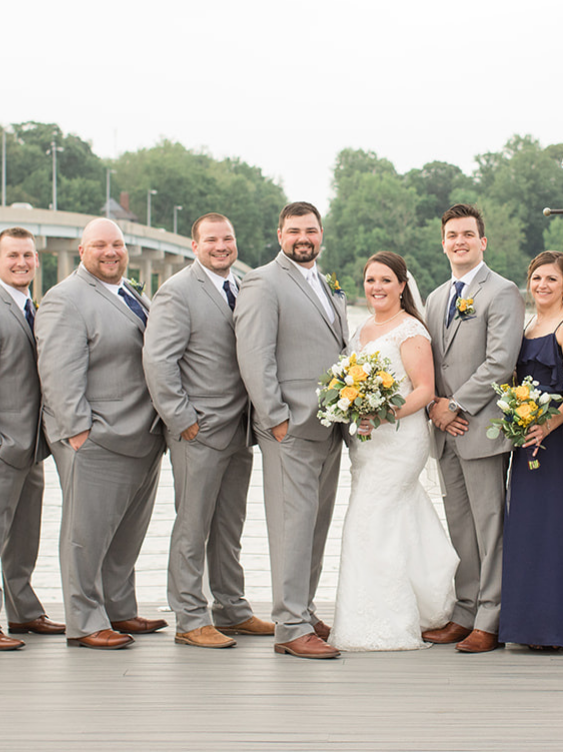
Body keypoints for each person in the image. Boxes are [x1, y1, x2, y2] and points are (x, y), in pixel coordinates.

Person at [36, 218, 167, 650]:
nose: (110, 252)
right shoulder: (64, 299)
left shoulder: (131, 292)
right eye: (100, 246)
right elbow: (57, 372)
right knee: (85, 535)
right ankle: (86, 620)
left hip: (142, 433)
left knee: (126, 533)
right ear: (82, 251)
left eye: (117, 244)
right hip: (97, 437)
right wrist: (78, 432)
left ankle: (119, 608)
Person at [144, 213, 273, 649]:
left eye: (228, 238)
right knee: (192, 526)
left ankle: (232, 608)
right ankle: (189, 617)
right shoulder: (177, 292)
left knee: (229, 526)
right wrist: (184, 421)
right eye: (212, 240)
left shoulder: (242, 286)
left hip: (240, 430)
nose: (222, 246)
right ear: (194, 245)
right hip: (198, 432)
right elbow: (159, 362)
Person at [234, 202, 349, 659]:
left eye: (312, 230)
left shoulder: (325, 282)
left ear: (322, 234)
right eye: (295, 230)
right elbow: (254, 354)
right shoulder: (263, 281)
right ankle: (289, 627)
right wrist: (274, 415)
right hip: (290, 426)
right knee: (291, 526)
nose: (304, 238)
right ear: (279, 234)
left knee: (315, 526)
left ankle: (302, 609)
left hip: (328, 425)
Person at [331, 253, 458, 651]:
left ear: (403, 286)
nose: (377, 287)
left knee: (371, 520)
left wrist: (385, 414)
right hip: (368, 444)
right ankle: (426, 603)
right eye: (370, 280)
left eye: (386, 280)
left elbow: (424, 389)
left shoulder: (411, 330)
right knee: (392, 519)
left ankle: (390, 617)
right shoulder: (363, 328)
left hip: (401, 440)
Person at [420, 204, 524, 654]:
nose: (459, 241)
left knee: (489, 524)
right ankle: (464, 610)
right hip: (444, 431)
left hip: (479, 426)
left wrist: (455, 404)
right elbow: (430, 361)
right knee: (459, 526)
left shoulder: (501, 292)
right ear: (443, 242)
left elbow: (501, 363)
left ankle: (492, 616)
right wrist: (433, 409)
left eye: (467, 234)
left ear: (483, 241)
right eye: (451, 235)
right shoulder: (436, 297)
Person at [0, 227, 64, 651]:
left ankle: (23, 610)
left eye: (28, 255)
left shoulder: (31, 307)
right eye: (13, 255)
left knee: (24, 536)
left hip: (30, 446)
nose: (22, 262)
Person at [496, 251, 563, 651]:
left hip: (556, 441)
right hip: (527, 437)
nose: (542, 285)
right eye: (536, 278)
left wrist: (547, 425)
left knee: (553, 530)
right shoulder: (529, 324)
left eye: (552, 279)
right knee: (528, 530)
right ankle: (526, 627)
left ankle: (553, 628)